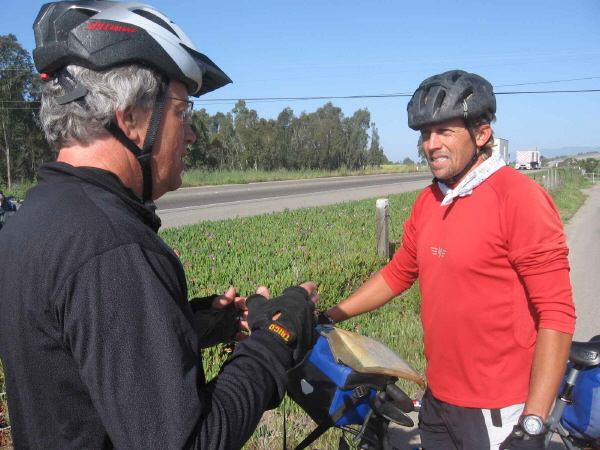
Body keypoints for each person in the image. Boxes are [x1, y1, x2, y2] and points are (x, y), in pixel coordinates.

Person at [0, 2, 317, 449]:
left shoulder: (31, 221)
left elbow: (81, 353)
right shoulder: (112, 247)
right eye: (183, 110)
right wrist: (277, 338)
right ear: (130, 115)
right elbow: (191, 442)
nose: (190, 134)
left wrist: (195, 324)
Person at [318, 70, 576, 449]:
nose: (430, 144)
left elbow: (556, 312)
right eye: (424, 134)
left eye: (444, 132)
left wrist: (533, 422)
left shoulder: (518, 198)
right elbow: (398, 274)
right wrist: (327, 317)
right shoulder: (431, 200)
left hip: (498, 408)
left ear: (482, 134)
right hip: (439, 398)